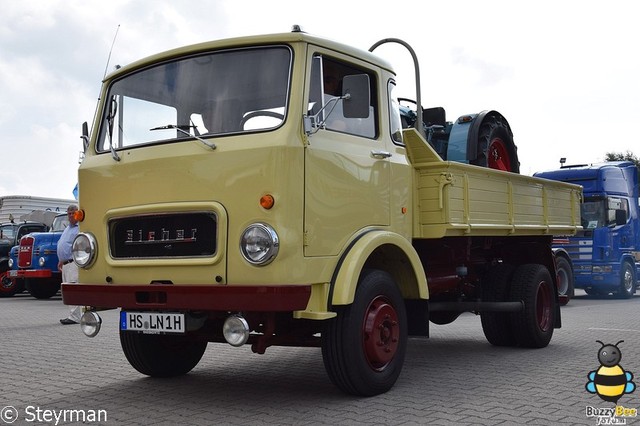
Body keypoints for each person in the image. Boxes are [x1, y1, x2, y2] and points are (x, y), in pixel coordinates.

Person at [58, 205, 81, 325]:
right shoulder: (67, 229)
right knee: (67, 289)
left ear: (77, 213)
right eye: (69, 213)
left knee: (73, 288)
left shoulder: (80, 228)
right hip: (66, 263)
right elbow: (64, 244)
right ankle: (73, 314)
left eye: (73, 213)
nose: (71, 215)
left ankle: (75, 317)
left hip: (73, 263)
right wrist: (61, 260)